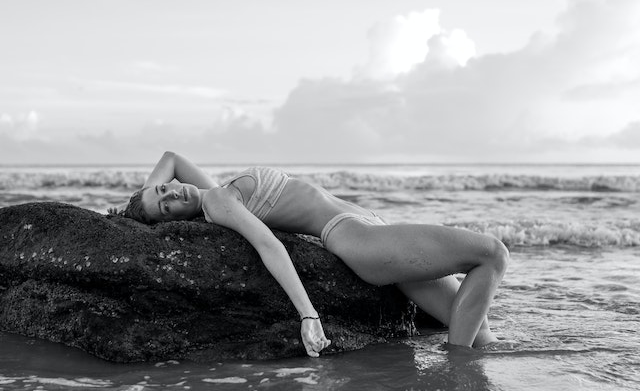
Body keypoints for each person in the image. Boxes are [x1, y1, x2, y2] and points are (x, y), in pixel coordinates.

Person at [110, 151, 509, 357]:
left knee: (481, 337)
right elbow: (269, 245)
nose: (173, 191)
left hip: (370, 224)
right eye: (166, 204)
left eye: (164, 188)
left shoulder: (211, 192)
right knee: (492, 254)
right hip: (353, 235)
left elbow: (171, 158)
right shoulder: (217, 202)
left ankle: (466, 388)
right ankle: (459, 384)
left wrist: (139, 204)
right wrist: (308, 314)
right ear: (171, 220)